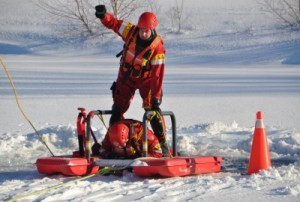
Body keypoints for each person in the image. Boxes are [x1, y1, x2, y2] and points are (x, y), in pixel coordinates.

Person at [95, 5, 172, 157]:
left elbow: (158, 76)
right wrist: (104, 16)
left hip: (147, 82)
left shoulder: (157, 49)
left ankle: (163, 146)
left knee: (152, 112)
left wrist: (155, 98)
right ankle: (116, 145)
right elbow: (114, 24)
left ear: (153, 29)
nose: (143, 33)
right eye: (141, 29)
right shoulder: (130, 31)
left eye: (146, 31)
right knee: (117, 110)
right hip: (126, 78)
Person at [97, 119, 163, 159]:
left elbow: (158, 153)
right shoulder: (111, 133)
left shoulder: (143, 132)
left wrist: (140, 154)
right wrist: (110, 155)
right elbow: (103, 149)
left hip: (139, 157)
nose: (120, 147)